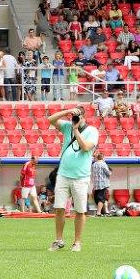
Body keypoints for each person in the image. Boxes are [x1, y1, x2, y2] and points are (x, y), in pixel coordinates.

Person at [47, 106, 99, 252]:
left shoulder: (92, 131)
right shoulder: (67, 126)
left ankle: (77, 242)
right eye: (74, 117)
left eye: (78, 116)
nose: (75, 120)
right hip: (63, 174)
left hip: (81, 176)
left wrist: (76, 130)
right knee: (59, 208)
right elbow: (50, 120)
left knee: (80, 211)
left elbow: (86, 147)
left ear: (84, 117)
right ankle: (59, 240)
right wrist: (67, 112)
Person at [91, 151, 112, 216]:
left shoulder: (94, 164)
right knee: (101, 199)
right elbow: (108, 173)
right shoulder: (103, 164)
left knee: (104, 198)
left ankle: (106, 211)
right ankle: (98, 212)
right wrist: (111, 171)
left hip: (96, 184)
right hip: (103, 184)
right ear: (103, 157)